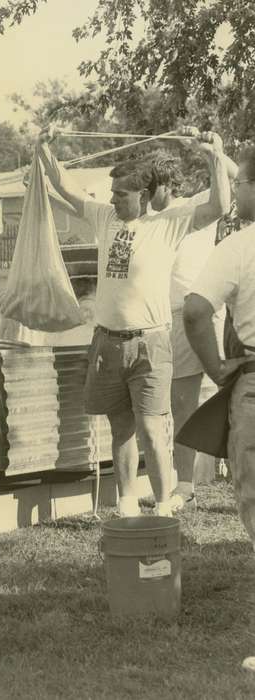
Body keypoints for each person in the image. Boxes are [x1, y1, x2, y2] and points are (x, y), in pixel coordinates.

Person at [37, 126, 231, 517]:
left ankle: (163, 505)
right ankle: (126, 503)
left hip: (151, 343)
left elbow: (220, 207)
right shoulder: (104, 217)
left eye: (120, 195)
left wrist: (214, 155)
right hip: (107, 342)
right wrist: (43, 150)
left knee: (153, 429)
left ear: (142, 196)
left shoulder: (169, 222)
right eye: (112, 194)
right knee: (121, 428)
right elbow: (69, 190)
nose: (112, 200)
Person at [148, 152, 237, 511]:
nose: (144, 194)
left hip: (208, 311)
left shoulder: (197, 203)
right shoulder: (147, 218)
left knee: (235, 393)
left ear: (166, 185)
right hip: (171, 317)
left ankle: (240, 472)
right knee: (180, 404)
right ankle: (184, 485)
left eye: (149, 187)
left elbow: (232, 182)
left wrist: (212, 150)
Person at [183, 145, 255, 543]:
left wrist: (214, 368)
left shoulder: (239, 247)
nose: (236, 193)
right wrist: (219, 154)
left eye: (239, 183)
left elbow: (194, 312)